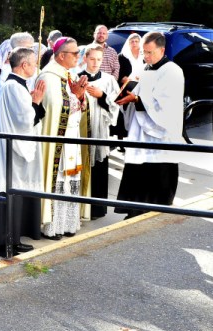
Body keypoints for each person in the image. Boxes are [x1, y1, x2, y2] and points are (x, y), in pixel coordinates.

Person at [0, 47, 46, 258]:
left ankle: (14, 239)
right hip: (8, 151)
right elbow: (24, 120)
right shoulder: (13, 87)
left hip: (11, 149)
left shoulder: (15, 85)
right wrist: (36, 102)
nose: (36, 66)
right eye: (34, 62)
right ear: (24, 65)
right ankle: (3, 244)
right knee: (7, 192)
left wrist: (33, 101)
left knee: (15, 194)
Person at [114, 32, 185, 219]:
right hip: (141, 130)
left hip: (161, 133)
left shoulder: (172, 71)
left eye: (149, 52)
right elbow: (138, 91)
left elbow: (166, 104)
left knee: (157, 174)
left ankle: (156, 209)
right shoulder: (147, 68)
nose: (145, 56)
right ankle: (135, 209)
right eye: (144, 52)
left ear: (162, 50)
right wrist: (127, 95)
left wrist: (137, 99)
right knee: (138, 170)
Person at [37, 37, 89, 239]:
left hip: (71, 138)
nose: (79, 56)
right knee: (59, 180)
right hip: (58, 141)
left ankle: (67, 223)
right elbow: (55, 109)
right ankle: (51, 226)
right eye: (75, 53)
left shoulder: (69, 74)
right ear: (61, 55)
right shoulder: (48, 77)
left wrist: (81, 96)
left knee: (71, 180)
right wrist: (76, 96)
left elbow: (78, 106)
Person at [79, 44, 120, 219]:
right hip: (81, 130)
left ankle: (97, 208)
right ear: (85, 58)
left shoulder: (109, 80)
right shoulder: (77, 77)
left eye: (99, 59)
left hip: (100, 130)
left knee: (99, 168)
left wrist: (102, 96)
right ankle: (80, 208)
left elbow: (117, 104)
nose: (95, 63)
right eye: (92, 59)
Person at [112, 33, 144, 146]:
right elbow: (117, 74)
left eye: (136, 41)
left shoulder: (144, 56)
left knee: (138, 115)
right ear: (128, 43)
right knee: (123, 115)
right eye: (132, 41)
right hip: (126, 88)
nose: (134, 43)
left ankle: (136, 139)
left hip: (141, 88)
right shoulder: (122, 56)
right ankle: (121, 142)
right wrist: (124, 79)